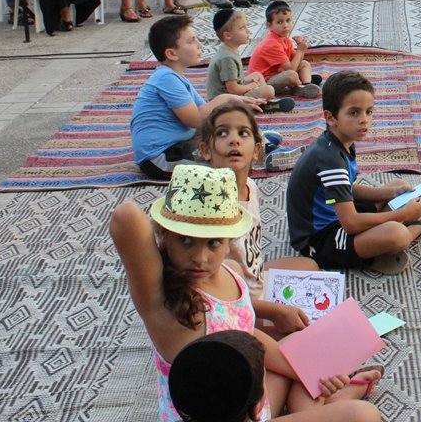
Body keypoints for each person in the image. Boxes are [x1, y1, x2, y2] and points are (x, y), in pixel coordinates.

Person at [109, 162, 381, 421]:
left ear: (230, 242)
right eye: (186, 240)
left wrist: (311, 373)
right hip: (215, 415)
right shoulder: (165, 305)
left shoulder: (231, 272)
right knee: (363, 415)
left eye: (213, 242)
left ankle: (317, 396)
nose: (200, 258)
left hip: (252, 403)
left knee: (296, 351)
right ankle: (327, 399)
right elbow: (126, 217)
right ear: (165, 237)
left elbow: (249, 336)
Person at [286, 70, 421, 275]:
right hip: (318, 241)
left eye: (369, 112)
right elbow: (351, 223)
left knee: (395, 186)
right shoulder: (330, 160)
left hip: (335, 214)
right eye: (354, 113)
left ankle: (374, 247)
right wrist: (403, 215)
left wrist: (389, 194)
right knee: (397, 234)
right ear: (330, 117)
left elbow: (347, 190)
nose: (364, 120)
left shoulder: (338, 143)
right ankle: (412, 230)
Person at [197, 103, 319, 305]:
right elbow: (209, 284)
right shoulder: (209, 207)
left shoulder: (251, 187)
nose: (233, 140)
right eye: (222, 133)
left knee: (310, 267)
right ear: (206, 150)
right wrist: (271, 311)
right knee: (295, 327)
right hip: (234, 300)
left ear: (256, 150)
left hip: (254, 278)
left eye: (243, 133)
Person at [130, 15, 264, 180]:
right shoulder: (165, 78)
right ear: (171, 53)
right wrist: (225, 98)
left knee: (222, 134)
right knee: (226, 168)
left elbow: (209, 117)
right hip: (160, 156)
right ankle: (261, 154)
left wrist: (238, 106)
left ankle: (257, 141)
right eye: (191, 41)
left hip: (181, 144)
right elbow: (195, 120)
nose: (199, 45)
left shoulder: (177, 78)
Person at [169, 330, 381, 422]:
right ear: (258, 407)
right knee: (364, 413)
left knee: (294, 350)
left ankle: (325, 402)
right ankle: (333, 402)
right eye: (264, 373)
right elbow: (365, 415)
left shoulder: (191, 400)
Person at [248, 0, 321, 98]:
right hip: (264, 81)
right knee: (291, 74)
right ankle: (299, 87)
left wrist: (301, 48)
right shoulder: (272, 44)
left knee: (304, 64)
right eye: (279, 22)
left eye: (288, 20)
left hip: (277, 74)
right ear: (269, 26)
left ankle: (306, 84)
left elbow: (296, 60)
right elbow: (292, 69)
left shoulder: (284, 39)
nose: (285, 25)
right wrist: (300, 50)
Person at [207, 9, 281, 103]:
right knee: (269, 90)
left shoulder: (229, 50)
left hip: (230, 95)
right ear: (228, 35)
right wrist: (251, 86)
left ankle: (264, 102)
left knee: (257, 75)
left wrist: (250, 84)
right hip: (224, 102)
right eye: (242, 28)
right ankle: (262, 103)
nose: (248, 31)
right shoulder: (227, 58)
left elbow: (234, 81)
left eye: (247, 26)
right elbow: (233, 90)